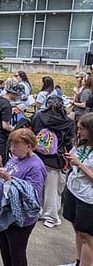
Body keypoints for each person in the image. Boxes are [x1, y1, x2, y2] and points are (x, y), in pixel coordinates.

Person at [0, 129, 46, 266]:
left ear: (29, 146)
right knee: (5, 250)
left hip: (19, 220)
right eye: (11, 145)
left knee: (17, 255)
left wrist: (9, 178)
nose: (12, 149)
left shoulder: (35, 167)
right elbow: (10, 177)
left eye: (16, 145)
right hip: (5, 212)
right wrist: (0, 165)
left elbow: (32, 197)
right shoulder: (17, 157)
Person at [31, 95, 75, 229]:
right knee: (52, 189)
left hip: (38, 156)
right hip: (56, 159)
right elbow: (69, 141)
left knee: (37, 186)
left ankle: (37, 210)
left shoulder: (39, 116)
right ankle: (51, 216)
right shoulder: (67, 122)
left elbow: (33, 132)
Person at [59, 113, 93, 266]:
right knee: (77, 229)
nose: (79, 132)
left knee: (87, 236)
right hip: (74, 190)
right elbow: (75, 161)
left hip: (88, 199)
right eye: (78, 128)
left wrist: (80, 164)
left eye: (83, 129)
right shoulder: (81, 143)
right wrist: (70, 160)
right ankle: (79, 261)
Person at [0, 79, 23, 194]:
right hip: (0, 137)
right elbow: (5, 125)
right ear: (14, 93)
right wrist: (16, 129)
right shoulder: (6, 105)